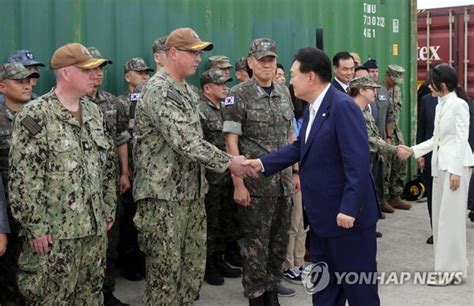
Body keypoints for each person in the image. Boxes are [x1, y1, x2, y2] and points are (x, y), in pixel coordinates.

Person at [244, 47, 380, 306]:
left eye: (293, 74)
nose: (289, 79)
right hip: (322, 220)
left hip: (348, 223)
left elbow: (357, 162)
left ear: (310, 77)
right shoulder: (313, 108)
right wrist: (261, 163)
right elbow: (300, 148)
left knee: (361, 294)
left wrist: (350, 208)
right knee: (325, 293)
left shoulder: (342, 107)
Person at [132, 27, 255, 305]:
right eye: (193, 52)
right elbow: (186, 141)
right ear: (173, 53)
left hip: (191, 194)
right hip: (163, 199)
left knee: (189, 276)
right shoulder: (159, 89)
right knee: (165, 280)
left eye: (200, 53)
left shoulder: (186, 90)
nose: (198, 58)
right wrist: (229, 162)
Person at [8, 42, 116, 304]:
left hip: (93, 231)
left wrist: (108, 209)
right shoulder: (36, 115)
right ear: (66, 73)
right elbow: (24, 178)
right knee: (52, 299)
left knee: (90, 297)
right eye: (87, 70)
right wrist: (36, 227)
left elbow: (107, 165)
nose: (95, 75)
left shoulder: (92, 111)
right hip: (55, 236)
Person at [222, 38, 297, 305]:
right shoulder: (238, 94)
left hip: (284, 184)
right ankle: (256, 296)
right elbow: (231, 142)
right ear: (250, 62)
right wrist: (238, 183)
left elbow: (290, 135)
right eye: (262, 60)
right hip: (255, 186)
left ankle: (272, 291)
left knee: (278, 243)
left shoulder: (284, 92)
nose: (267, 65)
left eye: (271, 60)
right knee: (255, 245)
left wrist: (296, 172)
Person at [398, 63, 474, 285]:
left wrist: (456, 171)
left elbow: (462, 139)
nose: (428, 88)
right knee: (440, 220)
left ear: (442, 85)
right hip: (440, 167)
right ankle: (451, 269)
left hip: (455, 169)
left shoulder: (459, 105)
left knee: (450, 221)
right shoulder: (440, 104)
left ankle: (450, 272)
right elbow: (436, 139)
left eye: (431, 84)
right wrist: (412, 150)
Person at [87, 46, 131, 306]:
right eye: (92, 68)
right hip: (82, 185)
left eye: (101, 68)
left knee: (110, 239)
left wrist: (125, 172)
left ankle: (106, 291)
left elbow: (121, 139)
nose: (98, 73)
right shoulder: (71, 104)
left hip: (110, 181)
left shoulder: (112, 103)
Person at [197, 69, 242, 286]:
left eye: (226, 83)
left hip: (226, 176)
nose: (225, 87)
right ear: (207, 88)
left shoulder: (224, 109)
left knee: (226, 220)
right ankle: (207, 265)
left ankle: (220, 258)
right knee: (210, 223)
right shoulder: (200, 110)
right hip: (210, 179)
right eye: (220, 84)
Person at [0, 62, 39, 305]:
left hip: (34, 206)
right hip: (5, 202)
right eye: (19, 81)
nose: (26, 85)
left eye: (29, 79)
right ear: (2, 86)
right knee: (8, 268)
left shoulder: (37, 117)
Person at [115, 57, 153, 281]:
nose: (144, 76)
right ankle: (129, 262)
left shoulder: (150, 100)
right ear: (128, 77)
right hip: (130, 168)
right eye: (139, 73)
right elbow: (120, 137)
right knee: (129, 219)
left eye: (146, 73)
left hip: (148, 169)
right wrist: (125, 171)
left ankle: (143, 261)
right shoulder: (119, 102)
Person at [349, 76, 399, 238]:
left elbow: (375, 136)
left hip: (369, 158)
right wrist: (394, 150)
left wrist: (381, 152)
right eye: (372, 89)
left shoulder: (366, 111)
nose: (375, 92)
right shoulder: (352, 112)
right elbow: (368, 138)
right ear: (361, 91)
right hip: (355, 163)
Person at [383, 65, 412, 211]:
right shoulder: (379, 90)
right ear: (387, 75)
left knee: (401, 163)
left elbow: (396, 116)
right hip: (384, 134)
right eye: (393, 79)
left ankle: (396, 196)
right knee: (385, 167)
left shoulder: (398, 91)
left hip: (396, 133)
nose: (395, 82)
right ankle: (383, 198)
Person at [416, 90, 437, 244]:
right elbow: (421, 127)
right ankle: (435, 230)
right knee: (431, 195)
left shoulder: (458, 100)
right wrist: (419, 154)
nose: (430, 87)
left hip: (449, 158)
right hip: (430, 155)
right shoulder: (427, 100)